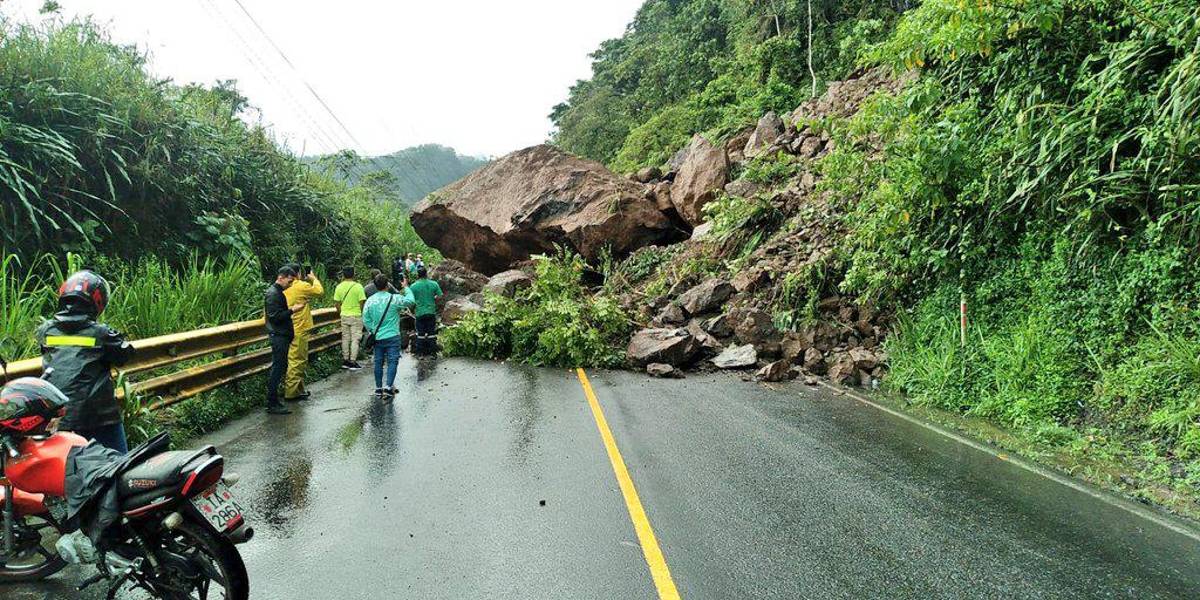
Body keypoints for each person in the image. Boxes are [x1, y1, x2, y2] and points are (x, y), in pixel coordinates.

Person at [37, 270, 135, 452]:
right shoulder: (102, 333)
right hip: (99, 417)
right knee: (119, 466)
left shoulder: (45, 331)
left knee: (65, 472)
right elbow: (125, 355)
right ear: (98, 300)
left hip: (59, 416)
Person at [362, 274, 414, 399]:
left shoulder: (370, 300)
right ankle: (388, 386)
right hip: (392, 336)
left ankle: (378, 388)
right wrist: (406, 287)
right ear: (387, 285)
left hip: (378, 337)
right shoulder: (394, 298)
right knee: (392, 361)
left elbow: (365, 318)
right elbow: (411, 301)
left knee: (378, 362)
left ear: (375, 285)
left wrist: (373, 330)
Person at [264, 266, 303, 415]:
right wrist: (293, 310)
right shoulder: (273, 294)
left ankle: (273, 400)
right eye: (289, 280)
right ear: (281, 277)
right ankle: (272, 402)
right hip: (278, 336)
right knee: (277, 369)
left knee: (279, 368)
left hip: (281, 336)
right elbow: (275, 316)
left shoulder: (277, 292)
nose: (290, 284)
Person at [283, 264, 324, 402]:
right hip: (299, 328)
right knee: (297, 360)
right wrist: (313, 278)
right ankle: (291, 393)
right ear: (298, 274)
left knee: (296, 359)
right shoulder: (301, 286)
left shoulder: (283, 287)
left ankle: (299, 389)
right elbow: (319, 292)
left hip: (286, 327)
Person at [333, 266, 366, 370]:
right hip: (356, 315)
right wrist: (359, 312)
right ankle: (352, 361)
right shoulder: (358, 286)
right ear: (353, 274)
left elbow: (336, 303)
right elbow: (362, 302)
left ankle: (345, 360)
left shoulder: (339, 287)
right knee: (355, 339)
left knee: (345, 338)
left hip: (344, 315)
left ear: (343, 275)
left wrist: (341, 311)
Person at [408, 266, 444, 357]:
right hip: (431, 311)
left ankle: (420, 354)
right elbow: (440, 296)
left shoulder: (413, 286)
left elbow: (411, 301)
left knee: (420, 334)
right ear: (426, 274)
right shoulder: (434, 284)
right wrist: (433, 299)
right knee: (431, 333)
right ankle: (433, 353)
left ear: (417, 275)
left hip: (419, 313)